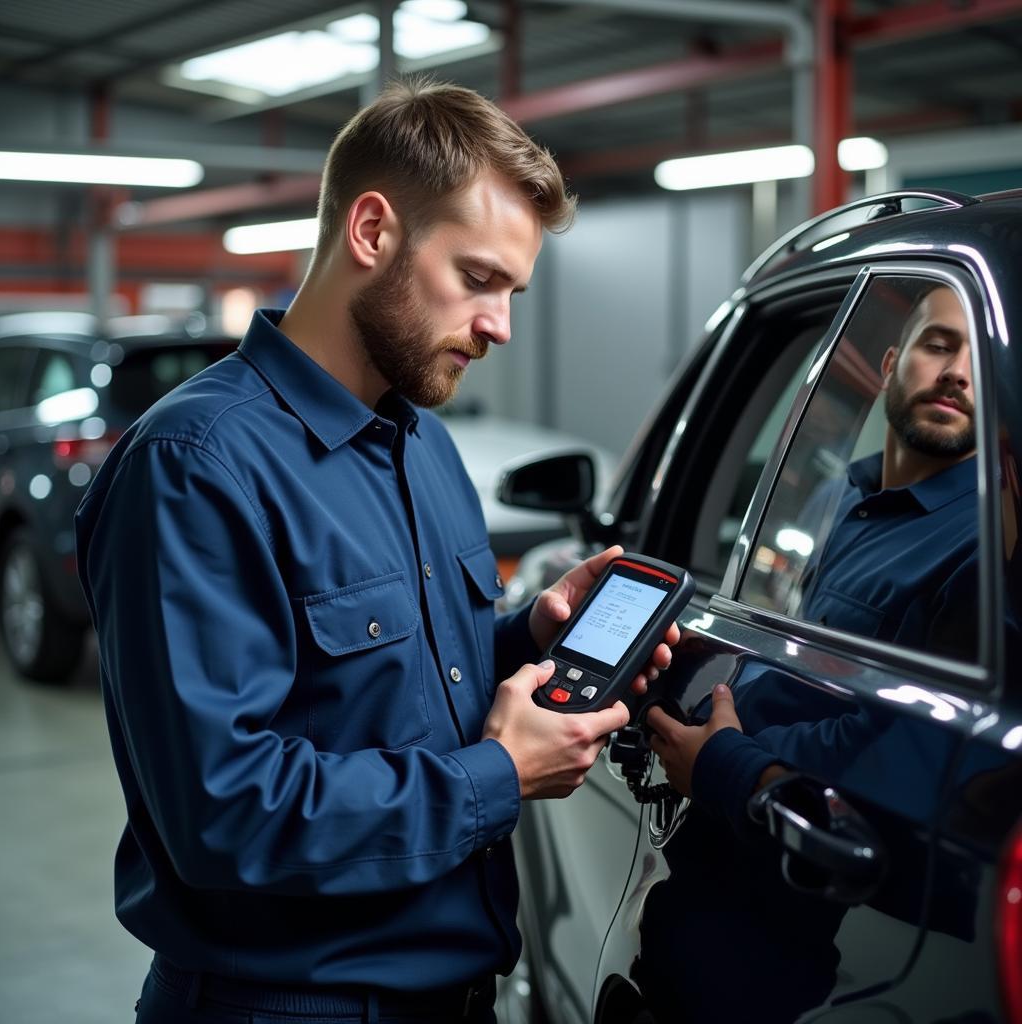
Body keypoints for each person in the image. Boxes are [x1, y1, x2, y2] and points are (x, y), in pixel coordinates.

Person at [75, 78, 677, 1024]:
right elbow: (225, 812)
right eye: (478, 279)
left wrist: (528, 636)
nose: (499, 326)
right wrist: (498, 775)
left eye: (512, 292)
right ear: (371, 231)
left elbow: (383, 687)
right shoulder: (196, 466)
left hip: (456, 997)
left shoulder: (421, 443)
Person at [632, 283, 981, 1024]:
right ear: (891, 363)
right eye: (940, 343)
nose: (958, 372)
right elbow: (767, 649)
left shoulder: (982, 550)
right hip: (713, 898)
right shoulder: (830, 499)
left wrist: (727, 755)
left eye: (982, 358)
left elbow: (918, 755)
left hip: (829, 935)